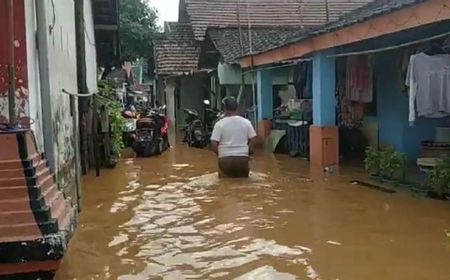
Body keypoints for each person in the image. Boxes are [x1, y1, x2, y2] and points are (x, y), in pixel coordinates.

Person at [210, 97, 258, 178]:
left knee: (225, 185)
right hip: (242, 159)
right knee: (243, 184)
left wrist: (220, 154)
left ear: (224, 108)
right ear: (237, 108)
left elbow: (214, 143)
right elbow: (254, 140)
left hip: (225, 159)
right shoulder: (246, 122)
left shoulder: (219, 124)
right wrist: (248, 151)